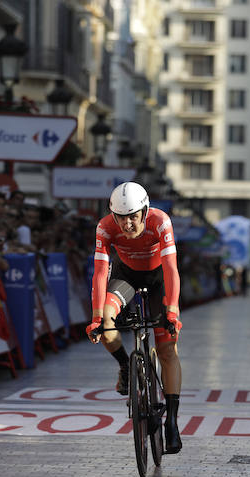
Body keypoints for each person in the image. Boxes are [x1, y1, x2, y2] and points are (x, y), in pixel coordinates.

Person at [85, 182, 184, 454]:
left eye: (133, 216)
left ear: (145, 211)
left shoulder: (160, 221)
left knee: (166, 348)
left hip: (158, 280)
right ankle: (124, 366)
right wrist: (96, 319)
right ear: (113, 215)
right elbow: (100, 274)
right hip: (125, 276)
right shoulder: (105, 227)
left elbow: (171, 269)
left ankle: (172, 422)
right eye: (122, 217)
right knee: (106, 321)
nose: (128, 224)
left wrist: (172, 312)